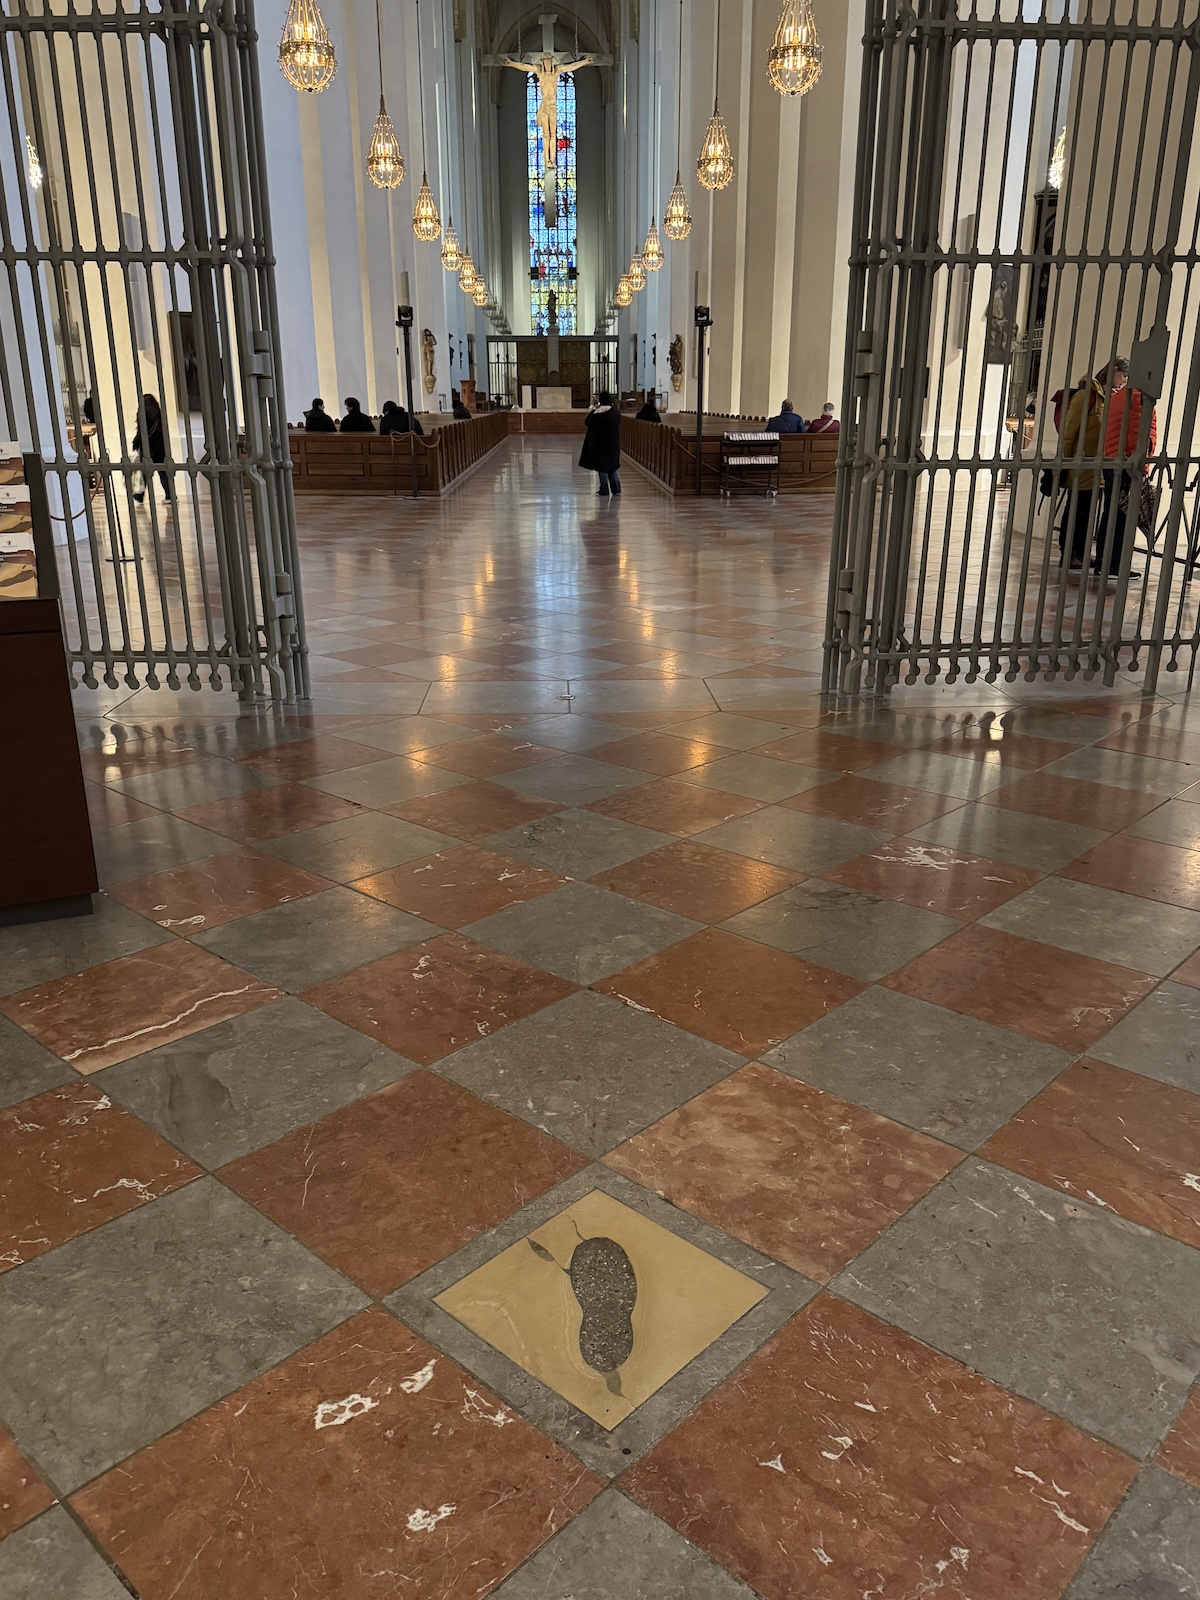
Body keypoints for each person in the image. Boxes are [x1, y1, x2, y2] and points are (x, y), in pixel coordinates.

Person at [1098, 356, 1155, 581]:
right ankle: (1115, 565)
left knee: (1111, 513)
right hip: (1125, 463)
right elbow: (1137, 432)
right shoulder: (1138, 396)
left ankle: (1103, 562)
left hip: (1112, 459)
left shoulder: (1120, 395)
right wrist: (1141, 462)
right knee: (1122, 516)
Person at [1058, 370, 1105, 571]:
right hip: (1080, 465)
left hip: (1093, 466)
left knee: (1086, 512)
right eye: (1123, 374)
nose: (1125, 379)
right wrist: (1065, 460)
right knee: (1076, 510)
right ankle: (1069, 554)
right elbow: (1069, 430)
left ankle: (1080, 553)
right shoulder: (1085, 395)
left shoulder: (1102, 397)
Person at [130, 394, 173, 514]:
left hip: (148, 447)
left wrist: (136, 442)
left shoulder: (142, 413)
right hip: (160, 446)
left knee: (144, 473)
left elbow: (141, 431)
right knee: (163, 473)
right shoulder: (158, 413)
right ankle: (170, 495)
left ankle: (139, 495)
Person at [580, 391, 622, 496]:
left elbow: (588, 423)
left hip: (598, 442)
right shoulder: (615, 412)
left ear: (600, 400)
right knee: (612, 465)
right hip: (612, 442)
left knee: (602, 466)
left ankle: (604, 488)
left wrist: (594, 410)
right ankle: (616, 488)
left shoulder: (596, 413)